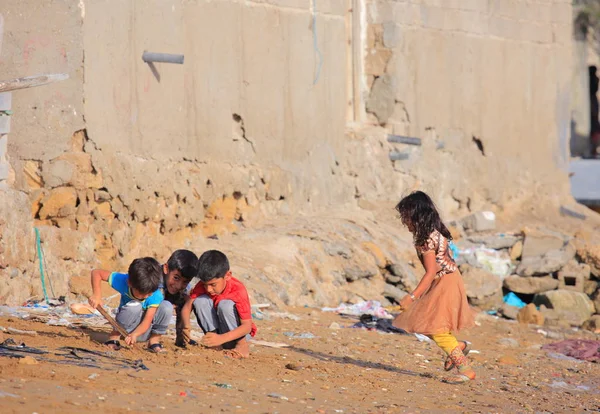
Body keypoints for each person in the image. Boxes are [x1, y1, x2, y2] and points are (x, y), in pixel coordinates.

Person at [392, 191, 476, 384]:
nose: (404, 222)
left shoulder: (425, 239)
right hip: (451, 278)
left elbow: (431, 271)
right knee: (428, 322)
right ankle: (458, 346)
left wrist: (411, 297)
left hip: (443, 282)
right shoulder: (435, 232)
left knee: (433, 327)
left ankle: (465, 368)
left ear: (416, 215)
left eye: (406, 217)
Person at [180, 250, 257, 358]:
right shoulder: (202, 286)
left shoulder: (238, 289)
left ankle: (241, 346)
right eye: (205, 284)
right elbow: (187, 307)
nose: (208, 289)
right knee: (200, 301)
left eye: (213, 284)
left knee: (225, 305)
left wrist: (222, 338)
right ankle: (215, 344)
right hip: (218, 334)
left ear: (227, 275)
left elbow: (247, 326)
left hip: (238, 334)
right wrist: (185, 328)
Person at [88, 257, 169, 352]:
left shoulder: (155, 295)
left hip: (143, 332)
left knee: (167, 306)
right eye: (143, 293)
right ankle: (114, 337)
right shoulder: (123, 281)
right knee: (135, 306)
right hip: (123, 328)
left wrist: (135, 334)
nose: (147, 296)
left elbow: (147, 321)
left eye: (150, 293)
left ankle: (154, 341)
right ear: (129, 283)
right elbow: (96, 273)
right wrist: (97, 295)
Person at [158, 249, 199, 348]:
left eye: (185, 282)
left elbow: (187, 300)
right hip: (141, 311)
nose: (178, 285)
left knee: (185, 302)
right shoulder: (154, 278)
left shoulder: (183, 287)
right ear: (166, 268)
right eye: (176, 278)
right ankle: (152, 337)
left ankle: (181, 339)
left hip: (166, 297)